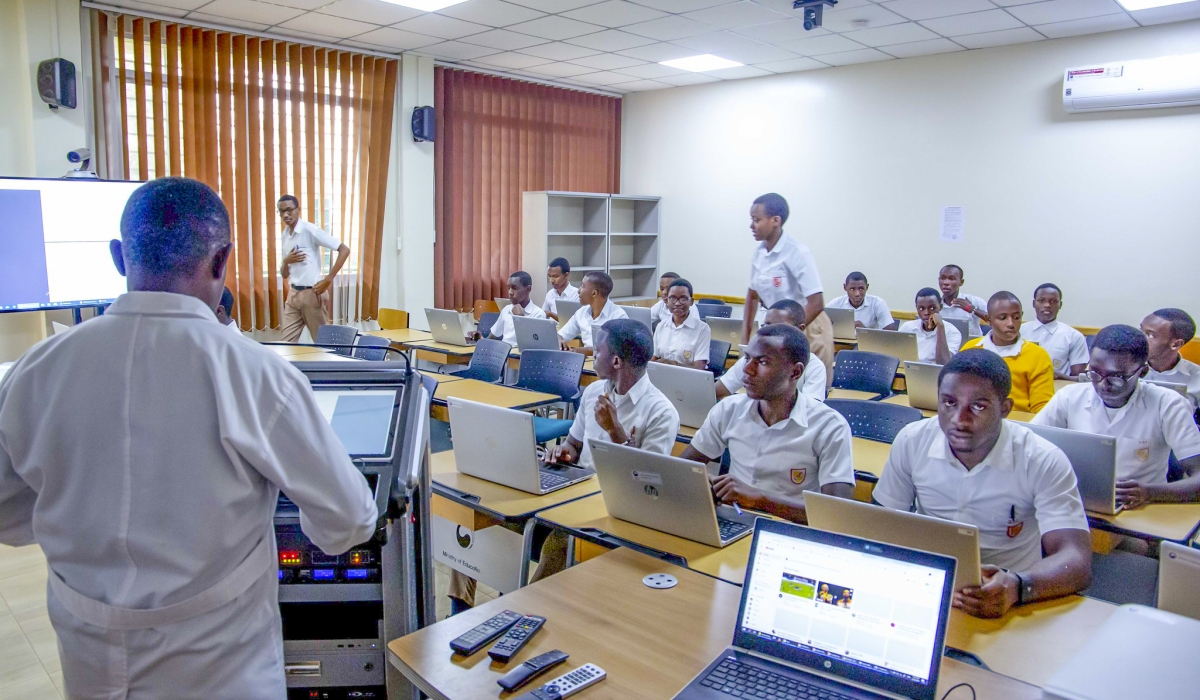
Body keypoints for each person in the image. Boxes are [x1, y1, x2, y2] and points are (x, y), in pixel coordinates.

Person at [0, 178, 377, 698]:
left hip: (90, 663)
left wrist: (82, 519)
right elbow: (350, 518)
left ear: (116, 256)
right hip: (221, 667)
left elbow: (7, 514)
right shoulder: (254, 375)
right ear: (222, 261)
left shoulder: (33, 371)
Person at [872, 350, 1092, 619]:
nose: (959, 419)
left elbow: (1077, 560)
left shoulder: (1042, 458)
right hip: (926, 589)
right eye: (949, 403)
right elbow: (880, 523)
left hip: (1009, 600)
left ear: (1006, 409)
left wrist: (1019, 586)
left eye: (978, 406)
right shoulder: (912, 440)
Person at [536, 319, 680, 580]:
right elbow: (574, 444)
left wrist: (616, 431)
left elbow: (647, 486)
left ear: (616, 362)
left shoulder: (662, 412)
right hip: (576, 489)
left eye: (598, 351)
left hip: (614, 503)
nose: (592, 354)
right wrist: (563, 452)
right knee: (499, 508)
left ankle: (528, 611)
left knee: (559, 541)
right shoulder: (593, 391)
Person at [680, 325, 855, 524]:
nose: (747, 370)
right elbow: (683, 468)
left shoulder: (830, 427)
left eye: (762, 362)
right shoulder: (728, 409)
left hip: (790, 532)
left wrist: (761, 499)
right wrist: (706, 484)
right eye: (747, 358)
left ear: (795, 372)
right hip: (733, 521)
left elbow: (837, 514)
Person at [1033, 325, 1200, 507]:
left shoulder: (1168, 404)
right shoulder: (1070, 396)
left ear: (1142, 372)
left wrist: (1149, 492)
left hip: (1140, 510)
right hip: (1074, 501)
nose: (1103, 385)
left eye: (1117, 377)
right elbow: (1030, 448)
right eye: (1095, 373)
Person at [740, 193, 834, 381]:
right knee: (774, 386)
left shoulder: (797, 253)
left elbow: (816, 302)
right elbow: (752, 296)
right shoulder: (759, 253)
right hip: (776, 327)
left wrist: (788, 334)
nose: (751, 226)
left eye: (756, 220)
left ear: (776, 220)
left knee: (807, 389)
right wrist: (746, 337)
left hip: (806, 325)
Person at [960, 292, 1055, 414]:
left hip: (1020, 425)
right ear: (989, 319)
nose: (1011, 324)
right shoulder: (970, 349)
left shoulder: (1038, 356)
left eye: (1016, 318)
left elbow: (1043, 410)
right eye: (1003, 318)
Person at [717, 299, 826, 402]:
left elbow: (810, 413)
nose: (770, 332)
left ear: (800, 329)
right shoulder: (751, 360)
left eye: (780, 327)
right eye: (767, 325)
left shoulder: (814, 367)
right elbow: (716, 392)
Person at [278, 195, 350, 343]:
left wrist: (328, 279)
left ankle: (334, 366)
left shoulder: (309, 229)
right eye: (281, 211)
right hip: (293, 295)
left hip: (312, 293)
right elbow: (284, 274)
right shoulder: (285, 235)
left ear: (298, 210)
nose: (285, 215)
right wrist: (286, 261)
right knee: (286, 344)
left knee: (323, 344)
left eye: (289, 210)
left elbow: (344, 250)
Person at [1021, 283, 1088, 379]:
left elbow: (1079, 378)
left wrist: (1058, 376)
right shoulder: (1019, 332)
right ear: (1034, 304)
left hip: (1058, 390)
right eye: (1041, 300)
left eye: (1053, 301)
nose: (1047, 305)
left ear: (1060, 305)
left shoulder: (1074, 336)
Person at [1142, 308, 1200, 411]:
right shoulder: (1122, 368)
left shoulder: (1197, 378)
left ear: (1176, 344)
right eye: (1140, 330)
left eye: (1150, 335)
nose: (1140, 338)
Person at [558, 271, 627, 355]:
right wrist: (560, 341)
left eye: (582, 286)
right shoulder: (581, 312)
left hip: (607, 366)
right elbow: (561, 335)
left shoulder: (618, 316)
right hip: (585, 362)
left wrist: (582, 351)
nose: (578, 290)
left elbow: (618, 349)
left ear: (594, 293)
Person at [651, 278, 710, 370]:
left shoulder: (702, 329)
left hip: (688, 380)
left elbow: (699, 368)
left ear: (691, 302)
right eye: (673, 298)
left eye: (683, 298)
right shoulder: (661, 326)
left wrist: (675, 365)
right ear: (667, 301)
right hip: (661, 376)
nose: (677, 303)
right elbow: (654, 358)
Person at [897, 287, 961, 365]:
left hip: (935, 374)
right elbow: (896, 356)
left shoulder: (952, 332)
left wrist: (940, 327)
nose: (926, 312)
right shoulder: (908, 327)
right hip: (909, 371)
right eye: (921, 308)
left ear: (940, 307)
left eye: (932, 308)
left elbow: (944, 364)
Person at [485, 271, 547, 346]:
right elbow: (493, 336)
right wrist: (481, 339)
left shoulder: (538, 314)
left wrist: (520, 318)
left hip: (521, 355)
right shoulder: (506, 309)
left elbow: (534, 345)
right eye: (508, 288)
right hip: (504, 353)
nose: (510, 292)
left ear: (528, 289)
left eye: (514, 288)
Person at [827, 272, 896, 330]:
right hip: (840, 344)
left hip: (868, 344)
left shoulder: (878, 303)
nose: (857, 294)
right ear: (845, 287)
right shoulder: (836, 303)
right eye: (852, 289)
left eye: (861, 289)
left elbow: (890, 333)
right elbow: (818, 323)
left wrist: (864, 331)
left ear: (867, 287)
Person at [938, 264, 989, 337]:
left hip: (972, 346)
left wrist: (973, 309)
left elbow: (994, 320)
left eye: (951, 279)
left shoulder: (974, 301)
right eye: (942, 278)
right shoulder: (936, 304)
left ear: (961, 282)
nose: (946, 282)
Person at [541, 257, 579, 321]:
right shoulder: (550, 294)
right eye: (549, 276)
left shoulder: (576, 294)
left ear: (566, 275)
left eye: (555, 276)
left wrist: (550, 314)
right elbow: (543, 315)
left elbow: (575, 321)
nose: (551, 280)